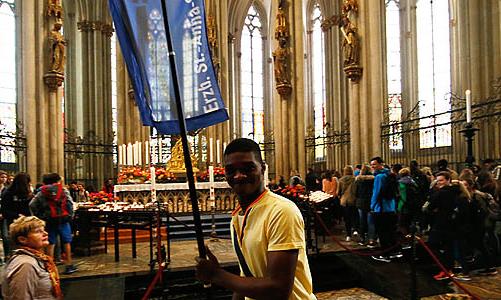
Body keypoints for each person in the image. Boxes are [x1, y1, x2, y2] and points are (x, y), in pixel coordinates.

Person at [195, 138, 316, 300]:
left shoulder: (281, 211)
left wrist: (217, 275)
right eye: (231, 170)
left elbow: (278, 290)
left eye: (248, 168)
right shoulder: (238, 216)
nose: (238, 176)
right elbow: (246, 276)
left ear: (263, 169)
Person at [1, 216, 62, 300]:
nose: (45, 233)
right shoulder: (26, 264)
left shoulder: (37, 258)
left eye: (43, 230)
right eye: (38, 231)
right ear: (22, 239)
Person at [30, 173, 78, 275]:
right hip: (63, 220)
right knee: (66, 241)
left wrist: (40, 216)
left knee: (50, 243)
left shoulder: (41, 192)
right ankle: (69, 265)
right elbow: (70, 203)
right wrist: (70, 215)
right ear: (57, 181)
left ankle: (50, 266)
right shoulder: (63, 190)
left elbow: (32, 205)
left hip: (49, 220)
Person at [369, 157, 400, 262]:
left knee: (382, 233)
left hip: (381, 208)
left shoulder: (379, 177)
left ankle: (385, 255)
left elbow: (376, 193)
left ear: (381, 164)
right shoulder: (390, 175)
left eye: (374, 164)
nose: (372, 167)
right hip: (391, 208)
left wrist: (372, 206)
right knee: (391, 231)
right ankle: (394, 252)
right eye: (371, 165)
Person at [1, 173, 33, 257]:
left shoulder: (28, 193)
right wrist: (18, 215)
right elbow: (5, 210)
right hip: (14, 222)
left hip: (26, 222)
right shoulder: (8, 193)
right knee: (13, 243)